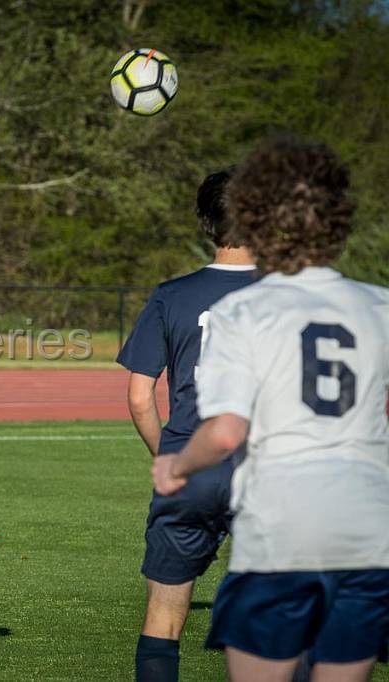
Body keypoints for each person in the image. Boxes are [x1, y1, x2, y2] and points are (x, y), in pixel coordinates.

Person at [153, 136, 389, 682]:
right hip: (367, 527)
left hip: (284, 524)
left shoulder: (247, 309)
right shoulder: (379, 305)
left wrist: (177, 466)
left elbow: (227, 432)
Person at [117, 168, 256, 681]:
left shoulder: (171, 296)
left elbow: (138, 398)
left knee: (163, 616)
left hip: (190, 465)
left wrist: (169, 455)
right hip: (265, 471)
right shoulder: (291, 293)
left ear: (205, 222)